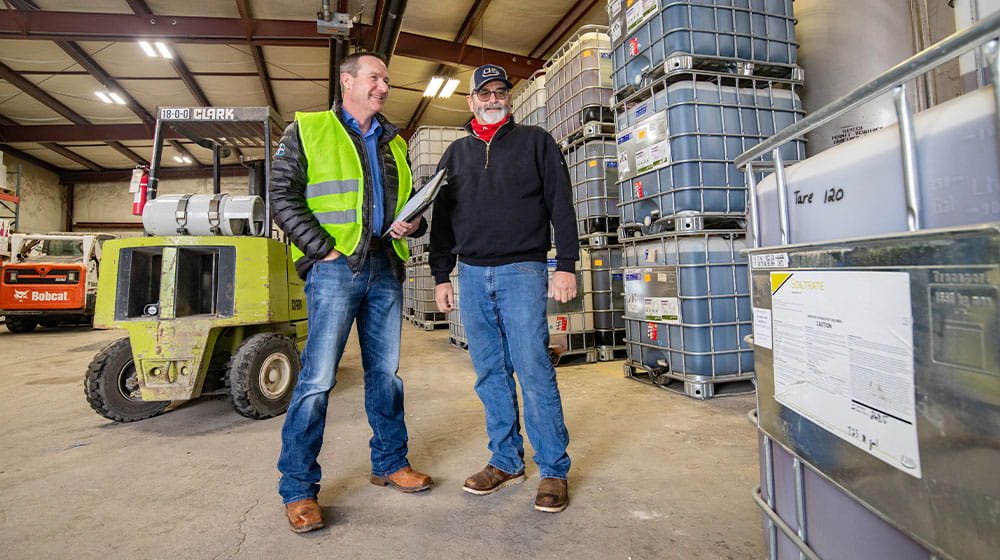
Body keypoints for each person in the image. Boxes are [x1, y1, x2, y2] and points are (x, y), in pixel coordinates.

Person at [270, 51, 433, 534]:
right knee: (317, 380)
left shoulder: (394, 142)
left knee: (386, 376)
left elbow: (405, 206)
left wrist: (415, 221)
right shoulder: (309, 129)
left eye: (387, 80)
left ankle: (389, 462)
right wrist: (323, 251)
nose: (384, 86)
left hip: (386, 266)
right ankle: (298, 488)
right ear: (347, 82)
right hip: (335, 270)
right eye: (375, 77)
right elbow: (282, 194)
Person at [430, 64, 579, 513]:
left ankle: (553, 468)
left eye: (500, 92)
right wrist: (441, 274)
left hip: (523, 271)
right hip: (472, 274)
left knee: (533, 368)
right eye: (485, 93)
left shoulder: (536, 141)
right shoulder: (454, 155)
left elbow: (561, 203)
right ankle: (506, 460)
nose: (494, 99)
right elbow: (440, 221)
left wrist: (566, 264)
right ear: (471, 100)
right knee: (489, 372)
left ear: (508, 98)